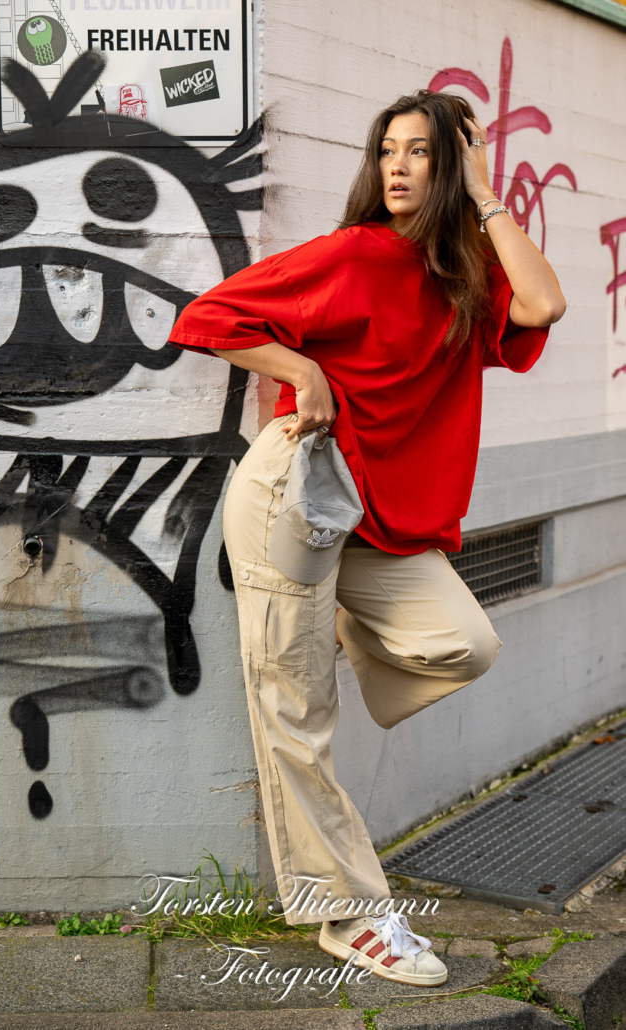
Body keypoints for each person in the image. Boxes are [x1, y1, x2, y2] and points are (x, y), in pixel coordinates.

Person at [167, 89, 566, 987]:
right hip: (295, 499)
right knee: (297, 714)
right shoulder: (352, 254)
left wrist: (485, 193)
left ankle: (323, 633)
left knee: (462, 643)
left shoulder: (467, 282)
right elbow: (208, 317)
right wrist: (298, 368)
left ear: (452, 165)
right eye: (386, 149)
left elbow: (543, 304)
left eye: (419, 151)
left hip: (378, 524)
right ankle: (347, 913)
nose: (396, 166)